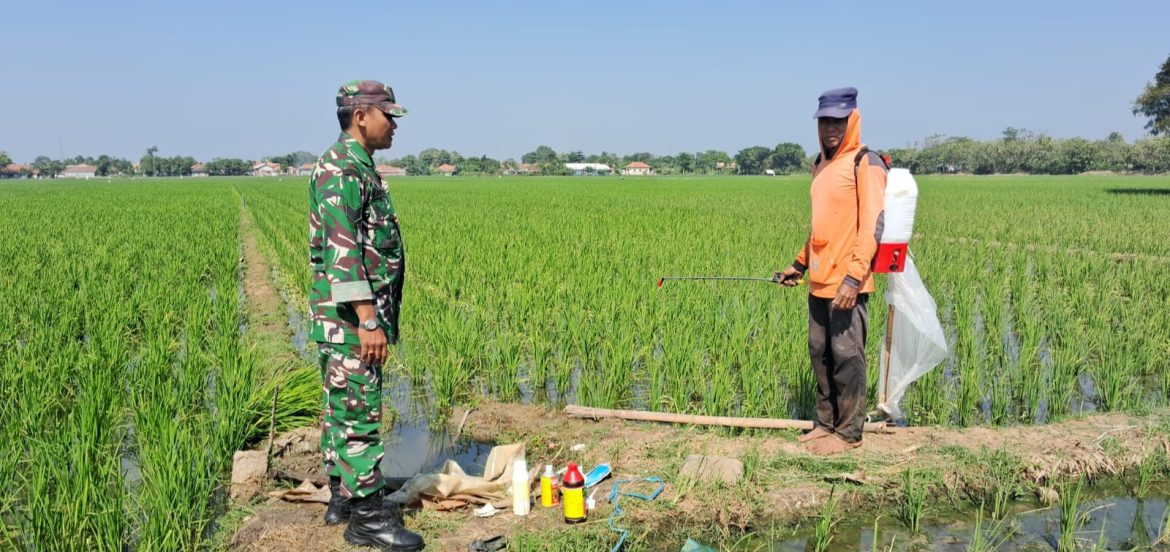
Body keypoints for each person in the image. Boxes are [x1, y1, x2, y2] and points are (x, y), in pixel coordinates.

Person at [308, 79, 423, 551]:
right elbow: (343, 251)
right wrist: (368, 320)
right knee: (358, 411)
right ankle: (369, 519)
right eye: (387, 115)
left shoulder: (357, 166)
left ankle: (342, 498)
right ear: (361, 116)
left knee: (342, 407)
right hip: (351, 321)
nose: (393, 124)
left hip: (346, 318)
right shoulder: (341, 169)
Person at [775, 87, 888, 456]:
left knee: (847, 355)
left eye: (838, 121)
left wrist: (854, 278)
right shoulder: (820, 165)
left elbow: (873, 224)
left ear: (852, 120)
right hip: (819, 282)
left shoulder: (865, 162)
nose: (830, 129)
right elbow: (819, 226)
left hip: (846, 283)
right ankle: (825, 425)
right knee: (820, 352)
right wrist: (799, 264)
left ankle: (849, 433)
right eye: (825, 121)